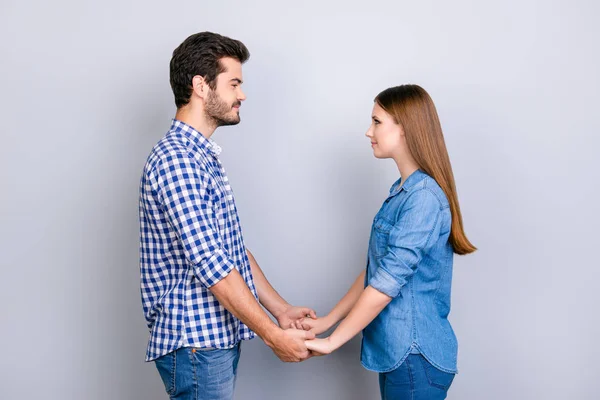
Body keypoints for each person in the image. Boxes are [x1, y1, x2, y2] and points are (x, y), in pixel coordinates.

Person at [139, 31, 315, 400]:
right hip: (195, 344)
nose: (242, 94)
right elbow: (210, 263)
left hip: (210, 341)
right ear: (201, 86)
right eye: (234, 83)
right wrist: (273, 336)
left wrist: (280, 311)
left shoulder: (201, 156)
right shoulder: (178, 160)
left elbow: (230, 250)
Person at [302, 84, 476, 400]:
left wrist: (332, 341)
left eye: (377, 122)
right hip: (401, 357)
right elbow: (377, 272)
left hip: (415, 357)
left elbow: (385, 284)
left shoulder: (422, 198)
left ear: (405, 128)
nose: (369, 131)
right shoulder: (403, 191)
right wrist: (327, 321)